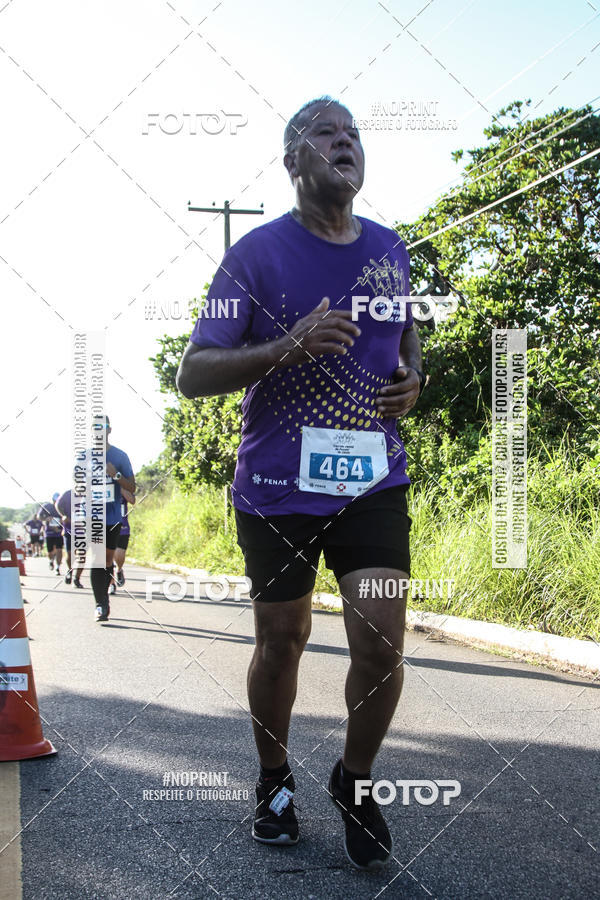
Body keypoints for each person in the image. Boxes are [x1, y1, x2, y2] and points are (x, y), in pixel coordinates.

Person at [177, 97, 425, 869]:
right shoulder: (252, 255)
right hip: (278, 482)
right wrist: (286, 346)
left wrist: (414, 379)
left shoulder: (391, 250)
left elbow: (406, 337)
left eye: (353, 134)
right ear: (294, 160)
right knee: (282, 641)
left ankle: (353, 779)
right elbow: (194, 372)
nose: (344, 143)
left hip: (371, 477)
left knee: (382, 641)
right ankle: (275, 779)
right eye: (326, 133)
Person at [84, 416, 135, 622]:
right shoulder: (84, 457)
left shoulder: (120, 456)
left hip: (114, 517)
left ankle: (104, 597)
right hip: (92, 516)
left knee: (106, 560)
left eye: (102, 426)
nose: (99, 430)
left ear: (109, 429)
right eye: (95, 427)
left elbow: (132, 488)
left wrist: (115, 476)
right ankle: (101, 604)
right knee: (97, 559)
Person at [55, 489, 84, 588]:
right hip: (69, 529)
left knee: (81, 555)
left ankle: (77, 578)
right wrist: (63, 516)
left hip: (84, 530)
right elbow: (57, 505)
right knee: (70, 555)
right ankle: (70, 570)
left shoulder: (91, 493)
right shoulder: (67, 494)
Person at [108, 488, 135, 595]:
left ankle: (119, 570)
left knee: (119, 556)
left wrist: (121, 487)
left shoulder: (123, 486)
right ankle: (111, 584)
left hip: (122, 529)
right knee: (108, 559)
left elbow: (132, 500)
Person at [38, 494, 64, 574]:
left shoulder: (63, 506)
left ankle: (58, 567)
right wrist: (46, 519)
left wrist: (62, 521)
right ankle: (51, 560)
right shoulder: (47, 506)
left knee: (59, 550)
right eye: (54, 500)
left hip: (59, 533)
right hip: (49, 533)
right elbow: (39, 516)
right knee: (50, 551)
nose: (56, 502)